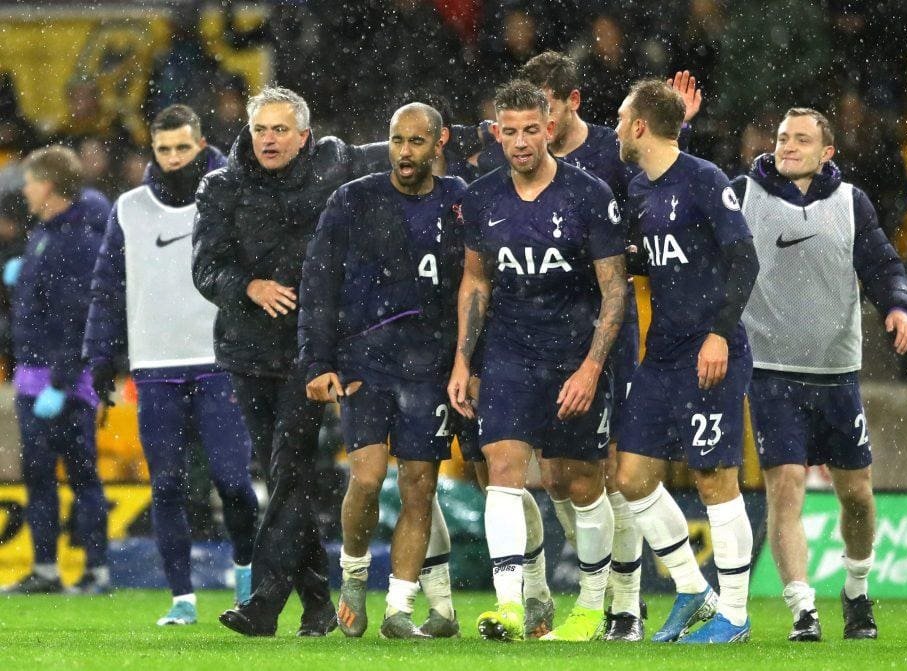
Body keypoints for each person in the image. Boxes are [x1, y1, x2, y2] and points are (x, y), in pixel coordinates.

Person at [192, 86, 387, 637]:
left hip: (310, 351)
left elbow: (403, 147)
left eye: (280, 130)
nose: (268, 139)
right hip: (247, 353)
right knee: (287, 477)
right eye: (260, 129)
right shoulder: (221, 187)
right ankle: (320, 605)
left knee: (289, 469)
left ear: (304, 136)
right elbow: (205, 267)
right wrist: (247, 285)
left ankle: (265, 601)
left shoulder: (335, 162)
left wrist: (466, 137)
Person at [448, 80, 628, 642]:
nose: (521, 141)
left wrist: (591, 368)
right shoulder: (482, 198)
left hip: (575, 355)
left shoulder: (590, 194)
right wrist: (463, 360)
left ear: (550, 127)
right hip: (507, 352)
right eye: (511, 131)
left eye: (532, 129)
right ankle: (511, 605)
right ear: (496, 133)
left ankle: (595, 606)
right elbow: (475, 280)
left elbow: (615, 289)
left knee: (575, 483)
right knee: (501, 470)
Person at [734, 108, 907, 642]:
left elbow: (883, 265)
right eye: (783, 137)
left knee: (857, 493)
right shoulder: (744, 192)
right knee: (785, 488)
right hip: (770, 372)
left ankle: (856, 590)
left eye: (801, 140)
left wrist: (898, 307)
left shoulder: (850, 202)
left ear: (826, 151)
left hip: (837, 373)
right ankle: (802, 608)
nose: (787, 146)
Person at [82, 105, 259, 626]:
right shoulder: (130, 208)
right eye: (165, 149)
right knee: (166, 485)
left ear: (201, 145)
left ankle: (247, 580)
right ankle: (181, 599)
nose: (175, 157)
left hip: (220, 361)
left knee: (231, 481)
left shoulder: (230, 195)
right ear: (153, 151)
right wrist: (99, 356)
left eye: (184, 148)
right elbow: (107, 287)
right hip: (156, 367)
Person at [299, 103, 465, 639]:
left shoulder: (459, 203)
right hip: (365, 364)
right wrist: (318, 361)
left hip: (431, 367)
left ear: (438, 145)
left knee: (419, 488)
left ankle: (398, 609)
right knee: (367, 479)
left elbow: (478, 285)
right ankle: (352, 575)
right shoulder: (353, 199)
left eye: (416, 142)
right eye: (397, 140)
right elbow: (318, 285)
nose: (404, 153)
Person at [614, 78, 759, 644]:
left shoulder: (705, 180)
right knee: (632, 476)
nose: (619, 127)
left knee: (714, 477)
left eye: (624, 118)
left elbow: (742, 260)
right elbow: (663, 258)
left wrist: (720, 334)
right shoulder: (639, 189)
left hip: (710, 350)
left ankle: (738, 617)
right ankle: (695, 590)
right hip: (662, 355)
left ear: (641, 127)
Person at [1, 146, 111, 594]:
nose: (24, 189)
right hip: (34, 372)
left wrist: (62, 383)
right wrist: (24, 273)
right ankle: (47, 570)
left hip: (60, 379)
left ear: (47, 186)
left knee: (81, 474)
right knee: (40, 475)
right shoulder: (47, 233)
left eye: (29, 181)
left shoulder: (77, 240)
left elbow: (78, 318)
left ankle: (95, 572)